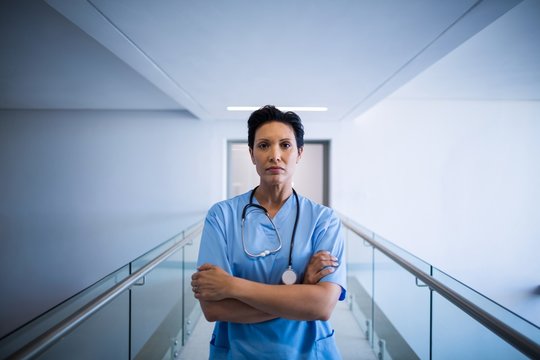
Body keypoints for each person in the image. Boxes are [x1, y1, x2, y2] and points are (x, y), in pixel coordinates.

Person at [191, 105, 346, 359]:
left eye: (285, 145)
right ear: (252, 154)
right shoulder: (221, 216)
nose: (275, 155)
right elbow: (213, 308)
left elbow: (322, 306)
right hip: (239, 351)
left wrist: (231, 286)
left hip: (307, 352)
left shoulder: (324, 220)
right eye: (264, 146)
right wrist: (301, 291)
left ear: (299, 153)